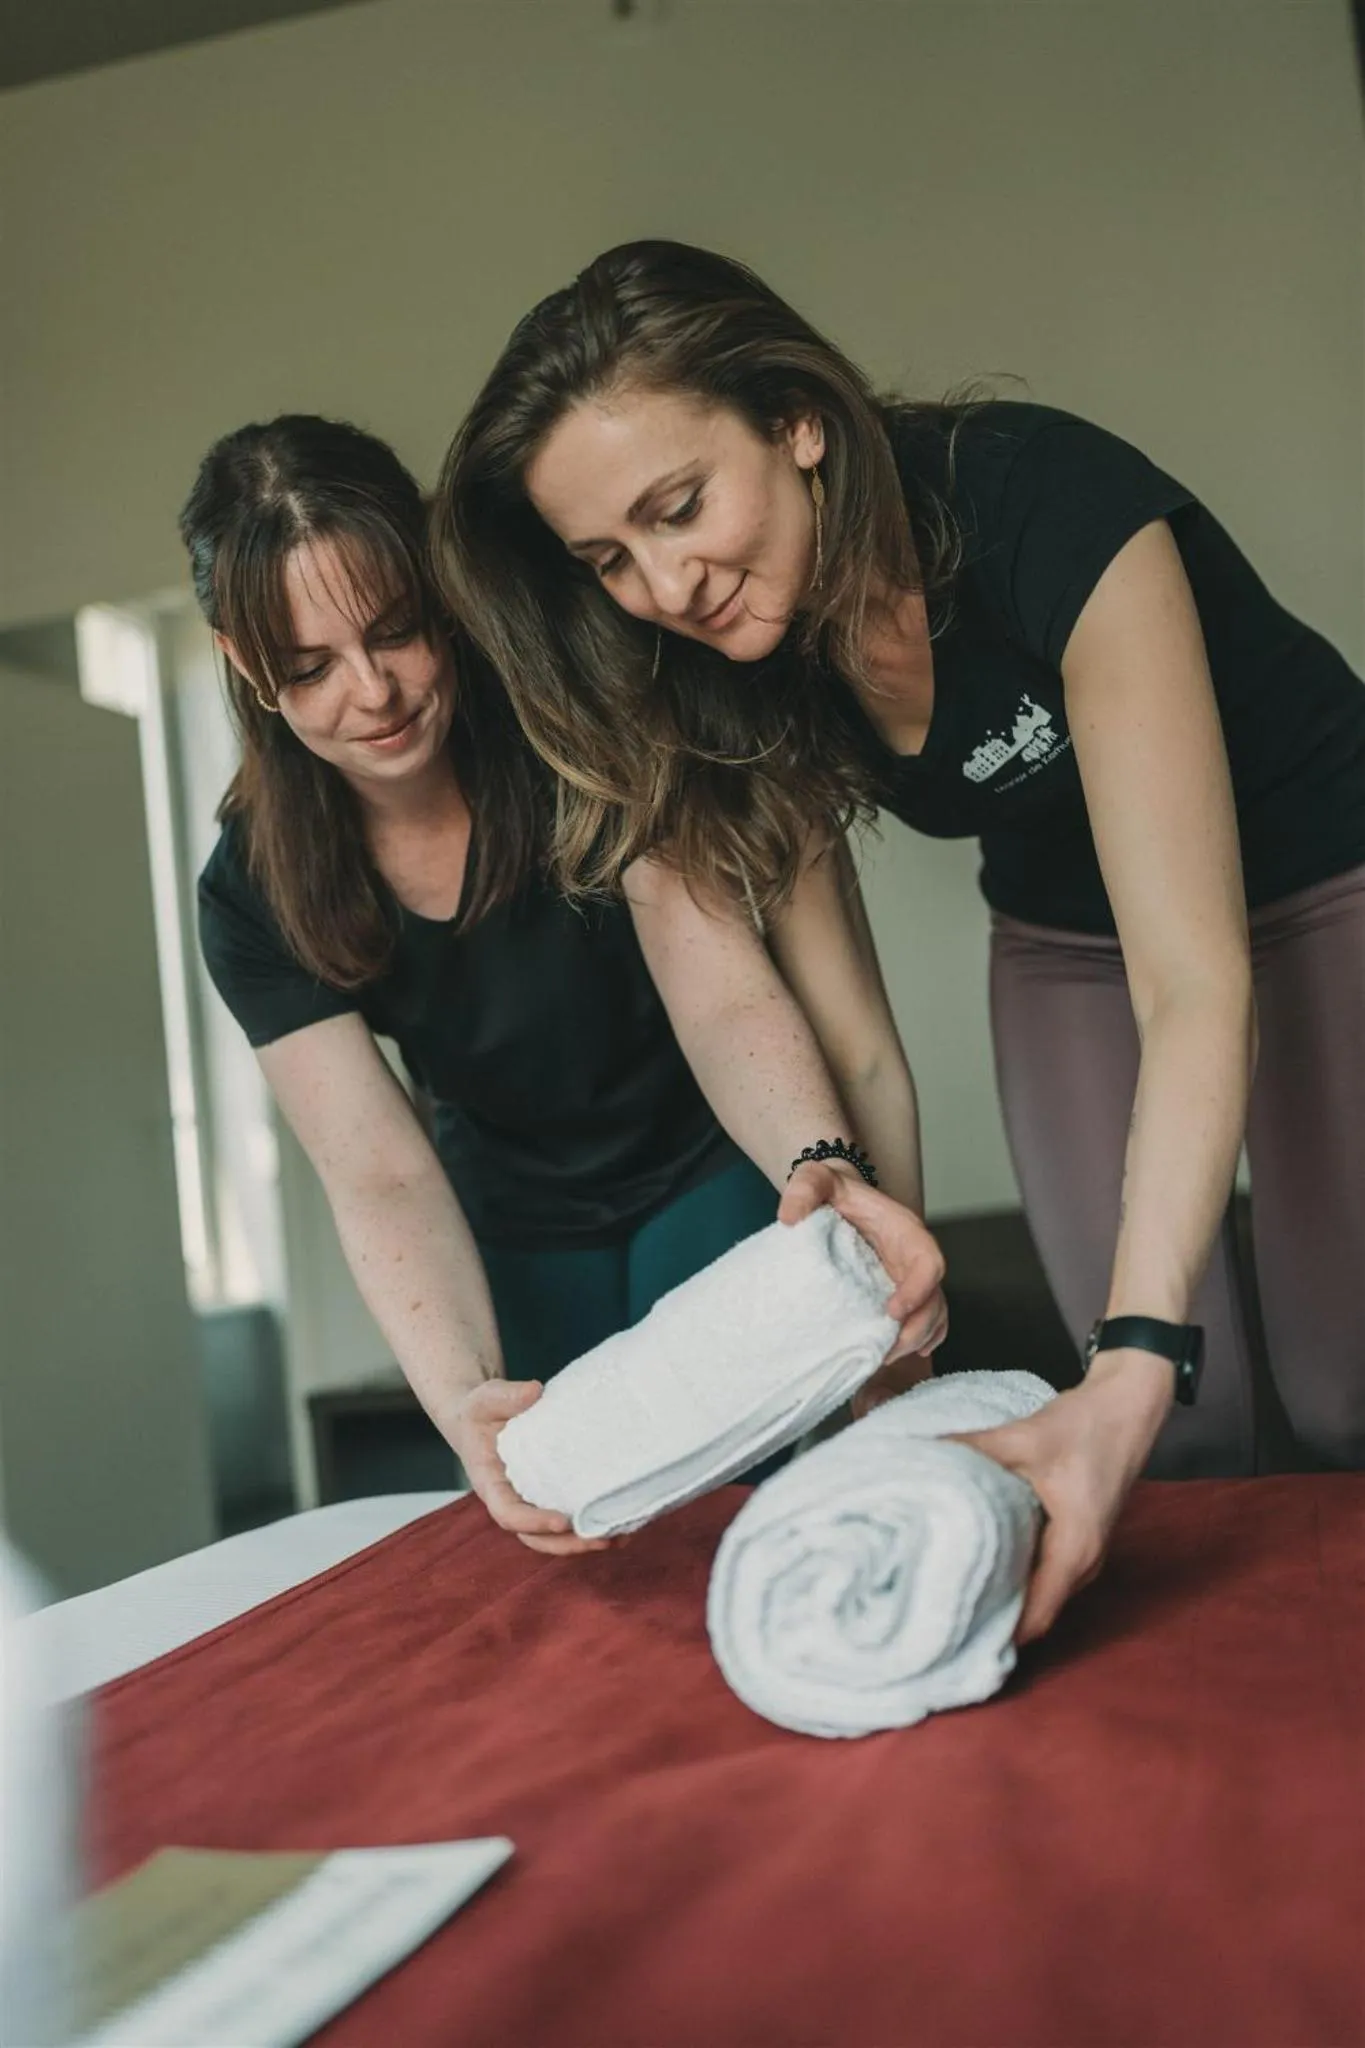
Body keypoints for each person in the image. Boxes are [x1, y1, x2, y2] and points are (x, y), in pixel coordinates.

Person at [433, 240, 1365, 1634]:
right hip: (1063, 933)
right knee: (1180, 1421)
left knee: (1331, 1379)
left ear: (797, 421)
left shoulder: (1043, 502)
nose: (665, 585)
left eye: (679, 507)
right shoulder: (743, 672)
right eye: (608, 558)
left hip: (1316, 880)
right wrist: (887, 1333)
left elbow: (1194, 982)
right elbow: (856, 1051)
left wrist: (1132, 1352)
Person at [182, 414, 947, 1555]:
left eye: (397, 633)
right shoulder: (252, 887)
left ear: (438, 589)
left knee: (766, 1511)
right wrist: (456, 1397)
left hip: (708, 1162)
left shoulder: (563, 719)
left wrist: (816, 1161)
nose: (375, 691)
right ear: (248, 663)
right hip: (515, 1221)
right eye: (311, 668)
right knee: (586, 1536)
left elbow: (722, 994)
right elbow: (380, 1170)